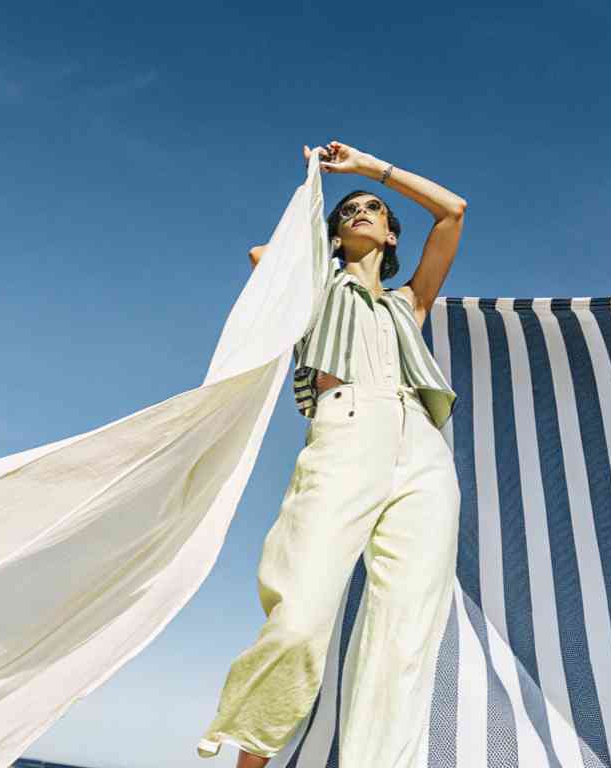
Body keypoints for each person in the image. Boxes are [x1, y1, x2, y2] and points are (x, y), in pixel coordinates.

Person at [196, 140, 467, 767]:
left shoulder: (410, 304)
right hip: (347, 429)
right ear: (334, 235)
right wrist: (321, 199)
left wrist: (371, 169)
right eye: (349, 213)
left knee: (404, 637)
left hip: (423, 447)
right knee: (297, 620)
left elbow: (452, 212)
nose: (363, 213)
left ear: (394, 237)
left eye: (374, 210)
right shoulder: (314, 286)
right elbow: (263, 255)